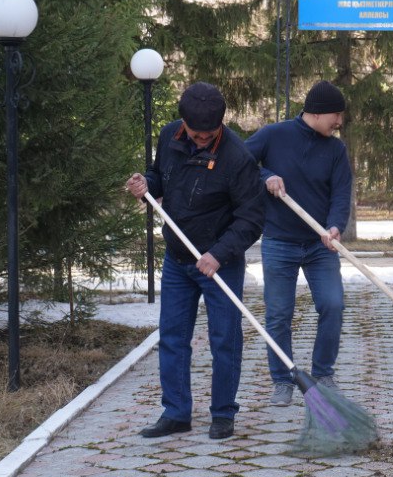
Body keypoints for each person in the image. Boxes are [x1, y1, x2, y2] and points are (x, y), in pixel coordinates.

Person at [126, 82, 265, 441]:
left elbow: (251, 219)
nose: (201, 140)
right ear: (183, 124)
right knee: (173, 337)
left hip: (219, 262)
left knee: (224, 339)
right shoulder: (170, 135)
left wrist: (218, 254)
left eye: (208, 136)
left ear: (219, 126)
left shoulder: (237, 158)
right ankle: (176, 413)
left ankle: (222, 414)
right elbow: (161, 179)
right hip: (177, 259)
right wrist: (146, 184)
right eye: (195, 134)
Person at [244, 80, 353, 406]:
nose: (339, 122)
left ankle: (323, 372)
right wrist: (266, 177)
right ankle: (283, 379)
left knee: (333, 305)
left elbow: (341, 194)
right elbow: (240, 163)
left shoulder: (336, 150)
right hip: (279, 241)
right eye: (336, 115)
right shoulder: (273, 135)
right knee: (279, 314)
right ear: (317, 113)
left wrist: (334, 227)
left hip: (320, 245)